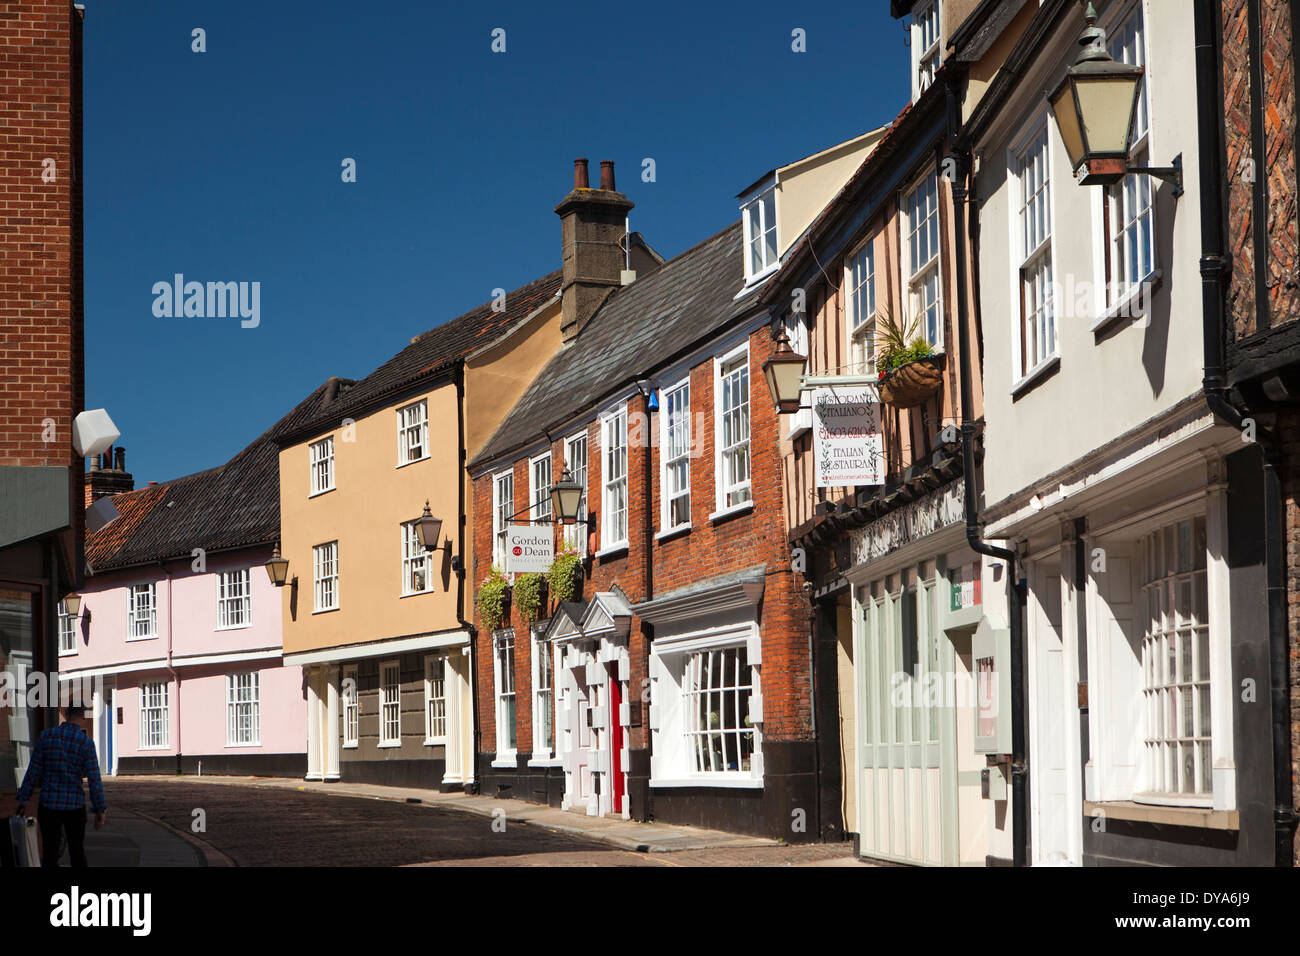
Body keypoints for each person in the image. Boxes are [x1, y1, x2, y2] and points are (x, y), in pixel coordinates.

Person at [14, 704, 106, 867]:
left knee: (50, 851)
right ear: (83, 717)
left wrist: (23, 799)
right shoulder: (86, 743)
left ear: (66, 714)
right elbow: (94, 780)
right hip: (74, 805)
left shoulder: (46, 737)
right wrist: (99, 809)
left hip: (49, 804)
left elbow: (33, 771)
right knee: (76, 850)